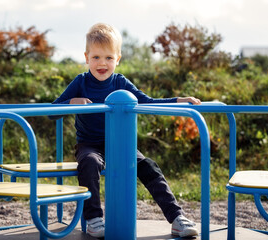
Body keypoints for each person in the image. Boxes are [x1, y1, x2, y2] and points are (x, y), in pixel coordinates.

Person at [52, 23, 201, 238]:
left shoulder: (120, 82)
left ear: (117, 59)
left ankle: (177, 218)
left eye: (108, 58)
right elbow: (51, 112)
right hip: (90, 145)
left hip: (121, 144)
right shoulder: (81, 82)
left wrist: (180, 101)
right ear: (86, 57)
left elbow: (146, 102)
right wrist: (70, 102)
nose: (102, 63)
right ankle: (94, 219)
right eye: (96, 58)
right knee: (89, 162)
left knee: (148, 165)